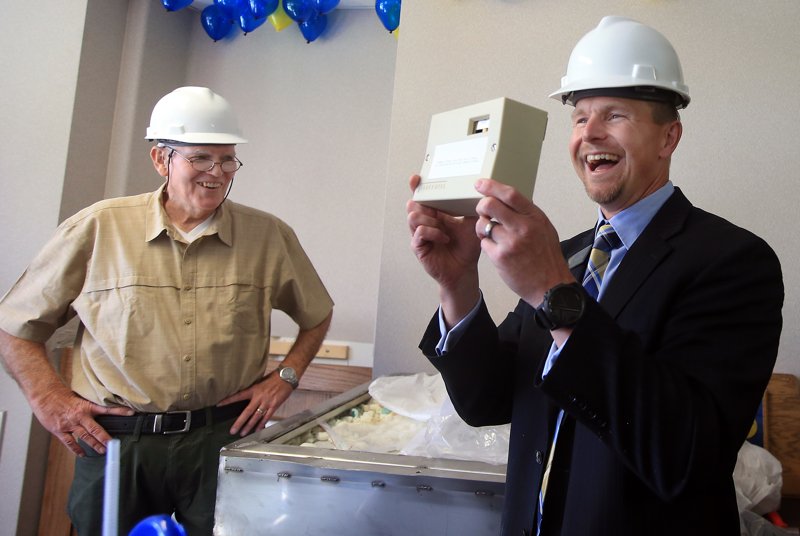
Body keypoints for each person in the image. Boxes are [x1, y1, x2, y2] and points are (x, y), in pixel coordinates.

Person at [407, 16, 783, 536]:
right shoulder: (570, 256)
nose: (590, 134)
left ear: (668, 136)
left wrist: (554, 294)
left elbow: (686, 453)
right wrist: (457, 284)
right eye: (579, 117)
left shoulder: (734, 262)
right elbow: (486, 402)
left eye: (615, 115)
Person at [0, 86, 334, 535]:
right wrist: (50, 401)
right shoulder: (98, 228)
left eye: (228, 159)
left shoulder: (268, 236)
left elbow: (316, 313)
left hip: (224, 437)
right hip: (117, 442)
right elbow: (14, 326)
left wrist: (285, 377)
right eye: (201, 158)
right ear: (162, 159)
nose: (217, 173)